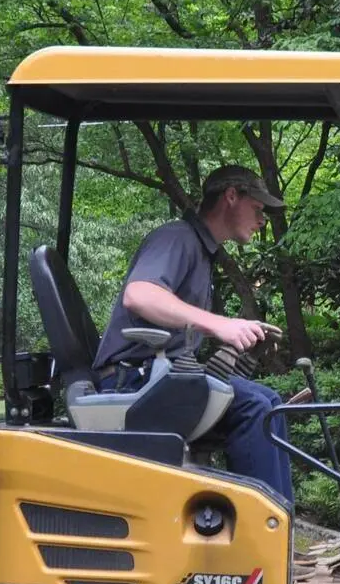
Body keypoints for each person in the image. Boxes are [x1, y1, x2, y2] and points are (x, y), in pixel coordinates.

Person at [93, 164, 293, 502]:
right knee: (255, 409)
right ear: (231, 196)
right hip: (132, 380)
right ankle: (259, 533)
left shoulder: (201, 251)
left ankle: (281, 522)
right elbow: (139, 294)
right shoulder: (177, 237)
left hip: (160, 377)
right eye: (257, 209)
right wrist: (219, 324)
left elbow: (180, 317)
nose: (261, 221)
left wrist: (238, 330)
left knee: (270, 402)